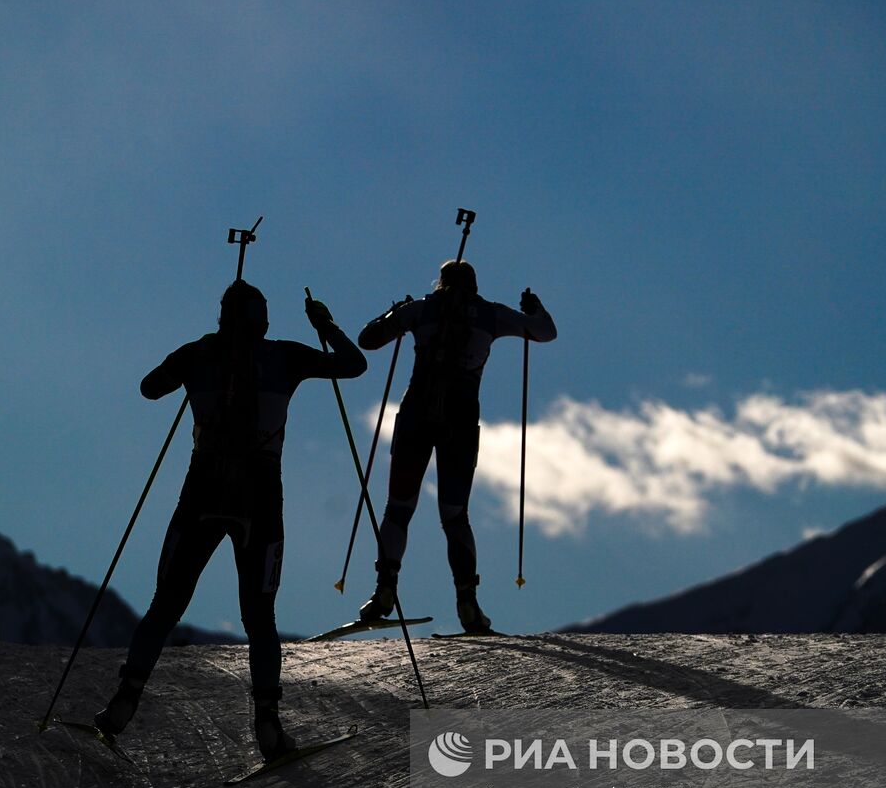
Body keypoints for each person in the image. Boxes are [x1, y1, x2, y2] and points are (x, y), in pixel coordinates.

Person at [96, 281, 366, 760]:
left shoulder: (198, 353)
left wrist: (193, 361)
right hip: (261, 496)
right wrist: (324, 325)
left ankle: (124, 701)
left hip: (200, 490)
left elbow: (149, 388)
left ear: (222, 317)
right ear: (263, 319)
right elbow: (354, 364)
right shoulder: (286, 356)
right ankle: (267, 727)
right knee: (260, 618)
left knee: (166, 604)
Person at [357, 260, 556, 633]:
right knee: (455, 514)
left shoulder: (421, 308)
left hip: (416, 415)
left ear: (441, 282)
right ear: (475, 285)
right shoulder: (491, 314)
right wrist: (535, 308)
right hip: (460, 421)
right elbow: (546, 332)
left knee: (398, 508)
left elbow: (368, 339)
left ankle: (384, 591)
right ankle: (467, 604)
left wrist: (395, 311)